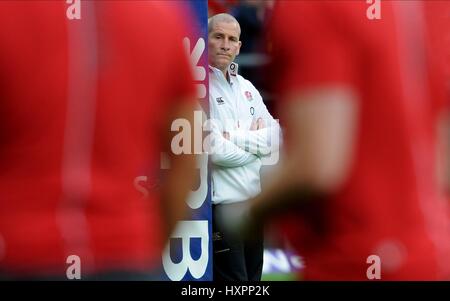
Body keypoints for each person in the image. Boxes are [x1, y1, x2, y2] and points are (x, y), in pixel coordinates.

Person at [240, 0, 450, 280]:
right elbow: (441, 159)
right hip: (431, 253)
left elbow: (317, 166)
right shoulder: (425, 10)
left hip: (353, 259)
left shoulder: (316, 8)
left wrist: (247, 214)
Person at [0, 1, 197, 280]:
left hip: (19, 253)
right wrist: (147, 248)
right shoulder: (162, 15)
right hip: (125, 255)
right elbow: (187, 150)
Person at [207, 13, 280, 281]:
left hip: (252, 207)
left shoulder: (246, 87)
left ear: (239, 46)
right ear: (206, 40)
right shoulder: (199, 87)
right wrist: (255, 149)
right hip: (222, 209)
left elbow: (276, 139)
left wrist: (235, 137)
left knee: (253, 282)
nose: (226, 44)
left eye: (232, 39)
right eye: (219, 37)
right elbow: (214, 150)